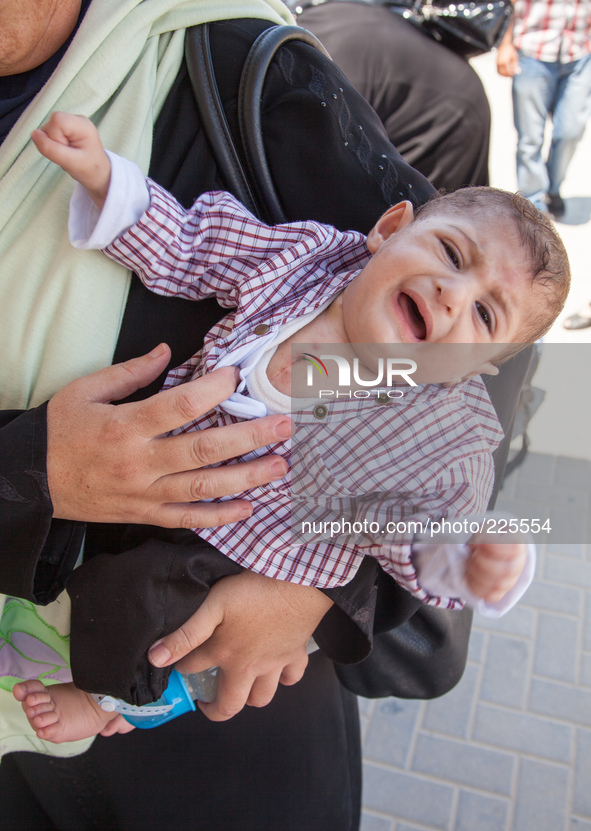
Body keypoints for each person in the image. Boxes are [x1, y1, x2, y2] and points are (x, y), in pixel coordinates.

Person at [12, 111, 570, 743]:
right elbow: (200, 247)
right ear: (390, 230)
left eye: (485, 315)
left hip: (246, 555)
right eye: (450, 253)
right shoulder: (307, 261)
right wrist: (106, 183)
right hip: (159, 469)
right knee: (73, 532)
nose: (450, 296)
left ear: (475, 368)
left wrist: (476, 558)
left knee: (153, 615)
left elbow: (429, 527)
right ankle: (39, 609)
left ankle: (119, 702)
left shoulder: (440, 436)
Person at [292, 0, 493, 191]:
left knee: (425, 212)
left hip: (451, 109)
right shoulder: (302, 36)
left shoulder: (313, 69)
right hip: (434, 84)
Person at [497, 0, 591, 222]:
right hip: (533, 50)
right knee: (530, 136)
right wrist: (505, 43)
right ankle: (534, 199)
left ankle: (553, 186)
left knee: (570, 130)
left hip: (580, 51)